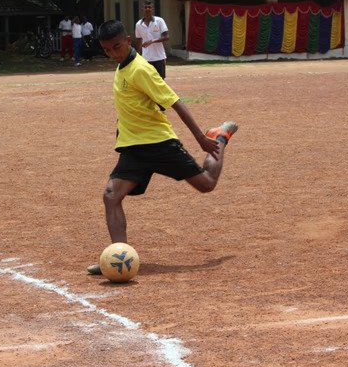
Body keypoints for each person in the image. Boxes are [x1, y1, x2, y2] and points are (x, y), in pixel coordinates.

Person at [86, 20, 238, 275]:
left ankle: (219, 137)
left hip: (159, 144)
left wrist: (201, 138)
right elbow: (131, 105)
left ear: (128, 41)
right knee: (111, 196)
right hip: (134, 148)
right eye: (107, 50)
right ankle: (117, 258)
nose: (112, 54)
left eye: (116, 47)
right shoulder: (122, 68)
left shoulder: (141, 70)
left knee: (207, 184)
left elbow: (175, 102)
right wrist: (122, 128)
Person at [135, 0, 169, 79]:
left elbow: (166, 36)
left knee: (160, 80)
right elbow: (139, 41)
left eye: (149, 7)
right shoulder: (138, 24)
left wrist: (152, 41)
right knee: (148, 81)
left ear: (153, 9)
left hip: (159, 57)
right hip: (146, 58)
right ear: (142, 9)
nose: (147, 9)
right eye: (145, 7)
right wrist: (137, 56)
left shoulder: (159, 21)